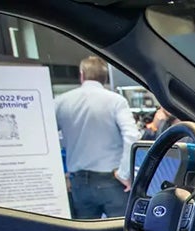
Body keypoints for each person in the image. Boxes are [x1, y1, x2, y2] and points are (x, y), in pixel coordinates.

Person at [55, 56, 140, 219]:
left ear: (81, 75)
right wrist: (124, 173)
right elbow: (132, 137)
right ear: (105, 77)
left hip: (78, 183)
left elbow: (48, 139)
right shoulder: (116, 101)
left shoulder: (61, 102)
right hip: (112, 180)